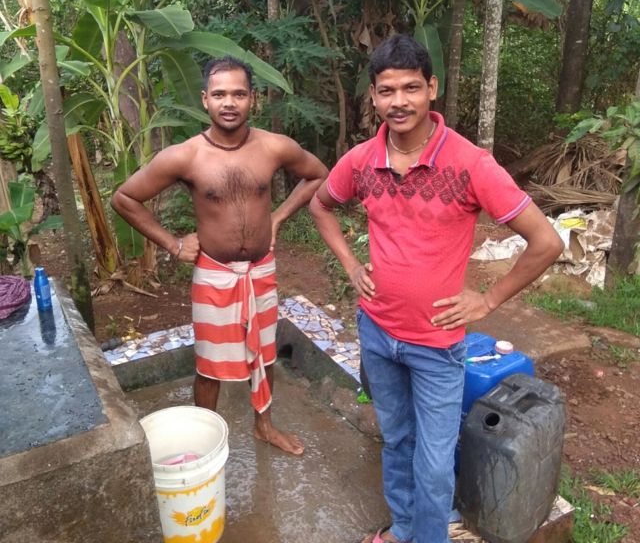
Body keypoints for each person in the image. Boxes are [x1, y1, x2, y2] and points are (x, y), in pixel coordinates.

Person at [309, 35, 563, 542]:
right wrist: (351, 265)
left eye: (410, 88)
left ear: (432, 88)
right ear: (373, 97)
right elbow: (320, 205)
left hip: (436, 344)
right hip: (377, 331)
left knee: (432, 460)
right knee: (397, 441)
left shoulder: (470, 164)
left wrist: (487, 299)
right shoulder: (361, 160)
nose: (398, 101)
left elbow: (546, 242)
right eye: (386, 91)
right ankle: (405, 526)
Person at [112, 56, 328, 456]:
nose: (229, 102)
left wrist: (278, 217)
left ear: (253, 99)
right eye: (220, 94)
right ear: (205, 99)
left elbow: (317, 174)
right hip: (213, 274)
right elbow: (125, 198)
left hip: (261, 272)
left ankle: (264, 425)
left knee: (264, 353)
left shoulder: (274, 146)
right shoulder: (186, 156)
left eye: (239, 94)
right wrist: (174, 244)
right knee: (209, 364)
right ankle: (202, 439)